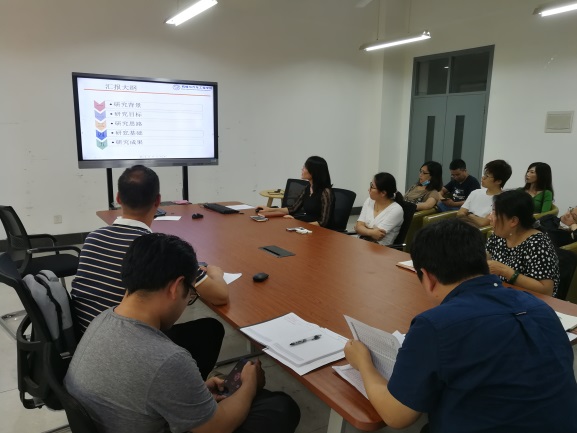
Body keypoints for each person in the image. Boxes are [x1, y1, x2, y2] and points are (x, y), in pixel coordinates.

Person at [344, 219, 577, 433]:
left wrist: (363, 363)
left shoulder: (435, 325)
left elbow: (396, 416)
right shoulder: (539, 307)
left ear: (427, 277)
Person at [65, 233, 301, 433]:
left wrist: (194, 395)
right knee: (280, 407)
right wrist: (249, 384)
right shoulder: (166, 359)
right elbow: (216, 427)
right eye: (190, 294)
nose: (188, 301)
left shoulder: (103, 319)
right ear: (176, 287)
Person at [70, 165, 228, 379]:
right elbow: (220, 296)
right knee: (210, 329)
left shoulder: (92, 238)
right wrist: (215, 274)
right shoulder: (158, 251)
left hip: (89, 342)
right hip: (128, 353)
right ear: (158, 201)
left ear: (118, 198)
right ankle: (187, 390)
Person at [486, 189, 560, 296]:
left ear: (513, 221)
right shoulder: (500, 235)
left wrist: (505, 271)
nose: (490, 217)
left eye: (495, 213)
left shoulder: (538, 243)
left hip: (529, 300)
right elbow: (484, 259)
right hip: (502, 293)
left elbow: (546, 290)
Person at [258, 156, 335, 227]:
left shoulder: (326, 192)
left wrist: (298, 225)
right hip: (306, 226)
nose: (302, 169)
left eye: (305, 167)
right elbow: (293, 209)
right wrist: (269, 209)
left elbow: (323, 222)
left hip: (318, 230)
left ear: (314, 171)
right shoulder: (308, 188)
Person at [457, 159, 511, 228]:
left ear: (498, 181)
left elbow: (483, 223)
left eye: (487, 176)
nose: (483, 177)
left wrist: (469, 215)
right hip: (464, 227)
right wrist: (474, 217)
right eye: (484, 174)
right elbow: (460, 213)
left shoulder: (503, 200)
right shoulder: (475, 192)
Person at [354, 172, 404, 246]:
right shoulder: (369, 201)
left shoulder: (396, 210)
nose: (368, 189)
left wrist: (363, 229)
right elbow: (358, 227)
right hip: (363, 244)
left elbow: (377, 236)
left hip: (380, 248)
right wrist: (370, 232)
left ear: (383, 193)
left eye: (372, 187)